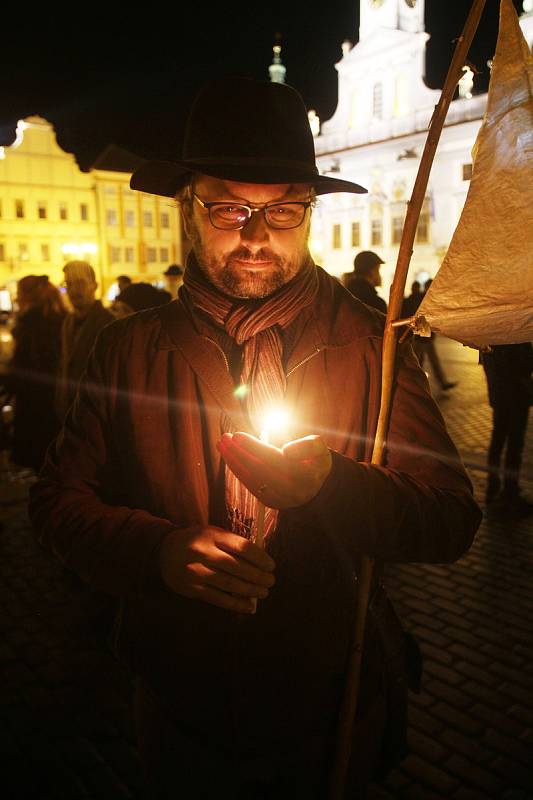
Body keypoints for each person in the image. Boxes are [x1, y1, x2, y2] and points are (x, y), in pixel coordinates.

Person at [29, 77, 481, 800]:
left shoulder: (371, 343)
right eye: (229, 208)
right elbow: (55, 505)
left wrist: (333, 488)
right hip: (182, 704)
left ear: (307, 212)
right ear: (188, 206)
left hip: (330, 697)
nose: (255, 235)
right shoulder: (129, 349)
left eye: (282, 210)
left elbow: (449, 518)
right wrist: (157, 551)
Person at [8, 275, 65, 471]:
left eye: (20, 292)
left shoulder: (33, 322)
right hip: (52, 394)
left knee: (40, 452)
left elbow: (27, 362)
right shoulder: (59, 317)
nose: (17, 296)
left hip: (35, 395)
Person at [56, 261, 114, 420]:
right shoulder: (67, 322)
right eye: (69, 284)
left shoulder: (109, 323)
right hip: (69, 413)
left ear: (94, 285)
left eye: (81, 283)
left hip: (96, 416)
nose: (74, 290)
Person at [480, 342, 533, 517]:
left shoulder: (489, 340)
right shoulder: (515, 339)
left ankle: (493, 488)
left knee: (498, 441)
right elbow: (524, 367)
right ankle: (510, 491)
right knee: (514, 446)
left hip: (500, 397)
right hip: (517, 397)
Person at [410, 279, 457, 392]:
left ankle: (440, 383)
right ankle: (417, 385)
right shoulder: (420, 299)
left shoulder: (422, 299)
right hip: (420, 337)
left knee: (426, 361)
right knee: (417, 362)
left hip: (425, 337)